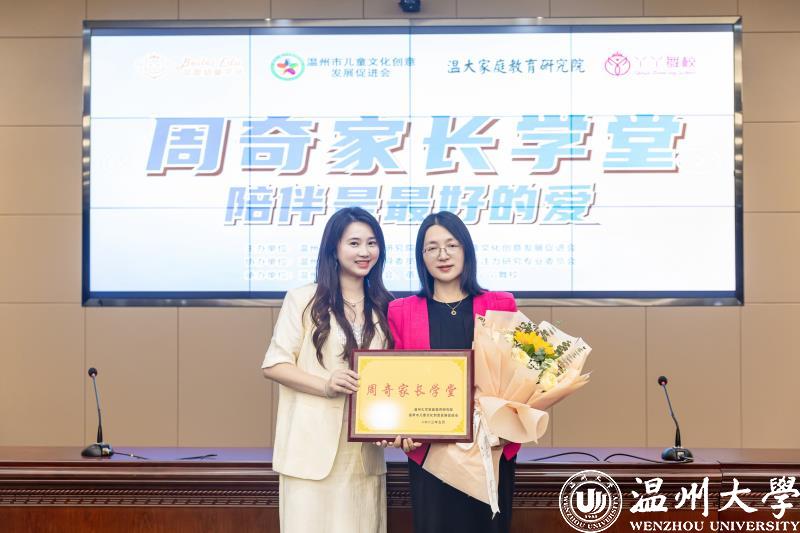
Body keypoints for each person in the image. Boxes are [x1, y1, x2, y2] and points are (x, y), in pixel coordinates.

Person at [261, 207, 394, 533]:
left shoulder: (387, 305)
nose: (365, 252)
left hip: (363, 454)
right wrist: (325, 384)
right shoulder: (303, 299)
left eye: (372, 243)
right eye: (354, 243)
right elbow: (274, 364)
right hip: (308, 450)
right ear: (334, 248)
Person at [387, 211, 519, 533]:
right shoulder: (401, 311)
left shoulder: (500, 304)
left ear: (466, 250)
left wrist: (508, 422)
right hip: (432, 454)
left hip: (489, 448)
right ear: (421, 257)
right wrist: (399, 427)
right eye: (431, 248)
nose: (442, 255)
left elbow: (518, 373)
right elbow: (394, 379)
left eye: (451, 245)